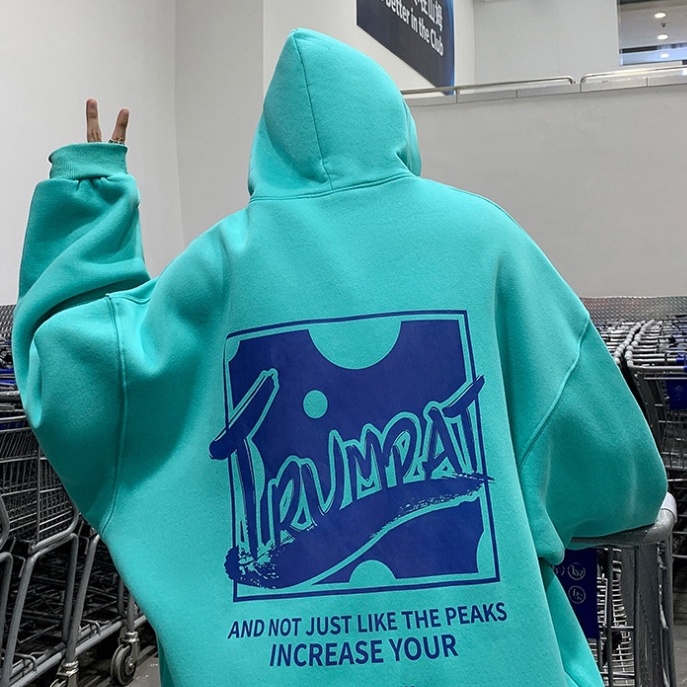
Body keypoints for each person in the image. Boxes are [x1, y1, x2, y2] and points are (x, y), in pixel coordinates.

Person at [13, 29, 666, 687]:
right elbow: (610, 471)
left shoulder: (215, 268)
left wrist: (89, 204)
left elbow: (88, 377)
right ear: (395, 124)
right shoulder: (488, 243)